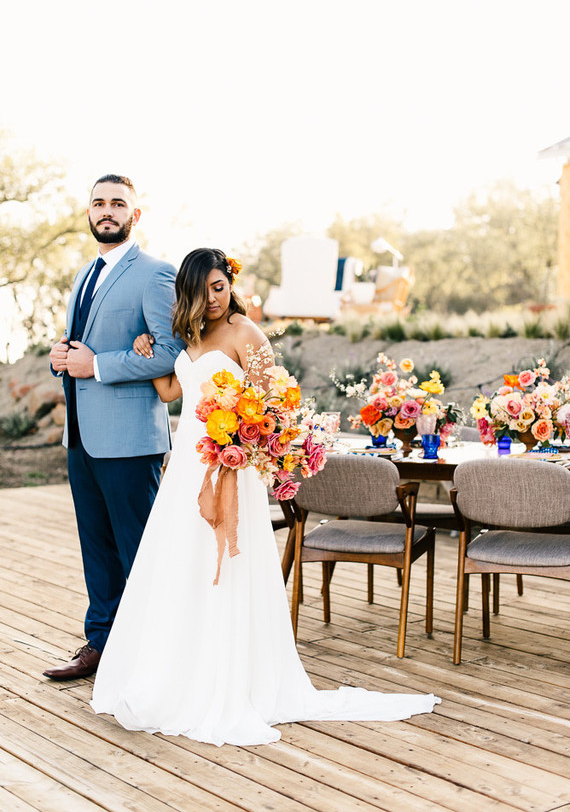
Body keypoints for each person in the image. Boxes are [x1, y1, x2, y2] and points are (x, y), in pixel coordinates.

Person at [90, 247, 440, 746]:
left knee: (225, 570)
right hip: (186, 471)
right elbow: (171, 391)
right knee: (180, 567)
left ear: (231, 284)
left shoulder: (246, 334)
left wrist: (236, 442)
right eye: (204, 289)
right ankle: (177, 673)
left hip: (228, 469)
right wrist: (147, 351)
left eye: (220, 286)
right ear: (187, 292)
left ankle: (228, 679)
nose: (214, 297)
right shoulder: (189, 338)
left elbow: (273, 409)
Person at [45, 174, 185, 681]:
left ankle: (155, 655)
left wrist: (97, 365)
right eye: (99, 203)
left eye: (118, 203)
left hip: (130, 440)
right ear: (88, 212)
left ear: (135, 215)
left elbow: (172, 353)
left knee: (140, 552)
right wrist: (62, 358)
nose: (107, 211)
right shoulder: (84, 274)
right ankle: (101, 644)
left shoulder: (155, 274)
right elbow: (79, 346)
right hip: (81, 437)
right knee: (97, 550)